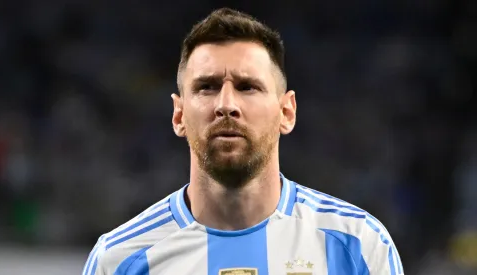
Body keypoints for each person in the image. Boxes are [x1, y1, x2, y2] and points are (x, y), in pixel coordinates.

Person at [82, 8, 404, 275]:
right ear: (179, 115)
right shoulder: (118, 262)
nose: (226, 104)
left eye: (247, 86)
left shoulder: (359, 248)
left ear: (286, 112)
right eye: (206, 87)